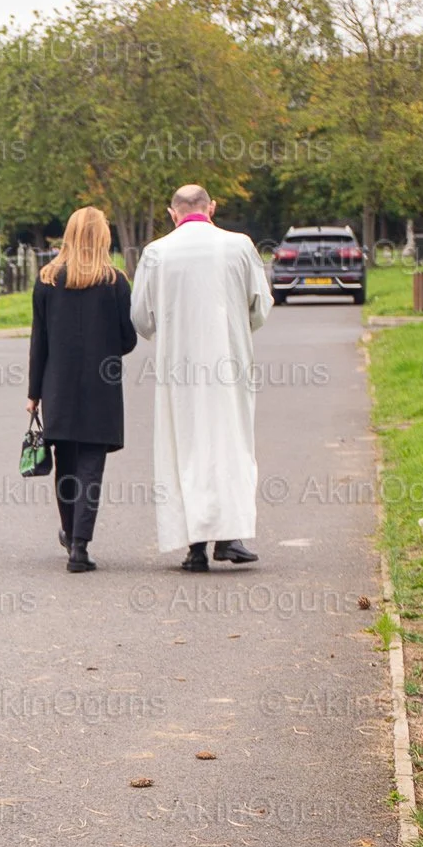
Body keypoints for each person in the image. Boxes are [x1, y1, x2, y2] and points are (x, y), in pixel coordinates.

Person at [131, 184, 269, 572]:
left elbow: (141, 316)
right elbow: (260, 305)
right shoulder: (240, 245)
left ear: (172, 213)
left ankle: (194, 547)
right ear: (212, 207)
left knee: (184, 446)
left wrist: (170, 332)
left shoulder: (157, 252)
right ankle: (230, 535)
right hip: (229, 361)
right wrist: (236, 331)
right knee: (229, 443)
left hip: (179, 367)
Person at [26, 206, 135, 573]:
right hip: (100, 389)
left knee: (66, 466)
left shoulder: (47, 280)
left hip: (57, 385)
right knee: (91, 467)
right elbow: (127, 339)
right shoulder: (115, 281)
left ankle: (71, 533)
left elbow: (38, 341)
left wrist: (33, 392)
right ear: (102, 236)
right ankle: (80, 547)